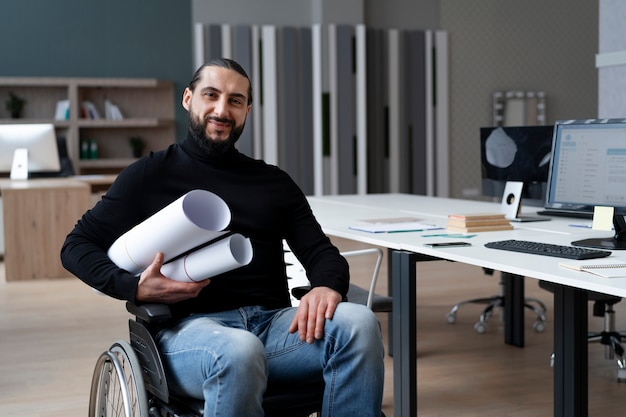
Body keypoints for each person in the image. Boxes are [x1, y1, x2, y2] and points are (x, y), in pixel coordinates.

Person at [61, 57, 384, 417]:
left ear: (247, 109)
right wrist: (133, 287)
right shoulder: (149, 175)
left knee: (360, 323)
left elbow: (322, 252)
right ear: (188, 98)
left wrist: (328, 285)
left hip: (272, 327)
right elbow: (75, 246)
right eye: (211, 95)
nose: (221, 109)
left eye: (235, 100)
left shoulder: (273, 182)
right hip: (187, 336)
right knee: (238, 349)